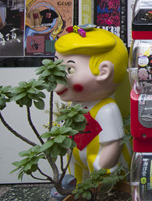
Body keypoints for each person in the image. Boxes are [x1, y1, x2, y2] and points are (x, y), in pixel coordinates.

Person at [53, 26, 131, 183]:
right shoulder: (72, 106)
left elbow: (112, 144)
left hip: (99, 163)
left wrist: (102, 167)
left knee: (99, 192)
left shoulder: (106, 109)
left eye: (70, 69)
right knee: (77, 185)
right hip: (76, 159)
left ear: (104, 72)